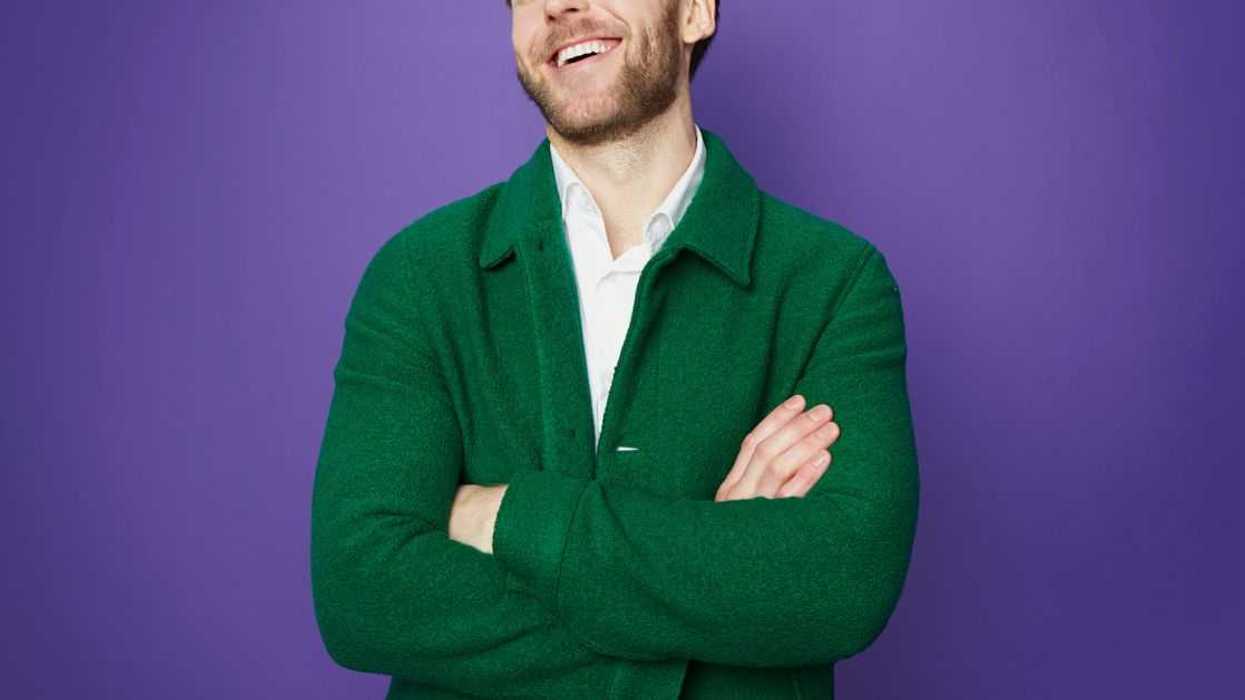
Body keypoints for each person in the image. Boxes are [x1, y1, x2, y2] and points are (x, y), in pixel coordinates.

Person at [310, 1, 920, 698]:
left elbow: (839, 583)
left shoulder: (834, 283)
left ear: (694, 11)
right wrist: (714, 596)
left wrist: (505, 516)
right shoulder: (419, 275)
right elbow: (360, 594)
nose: (557, 4)